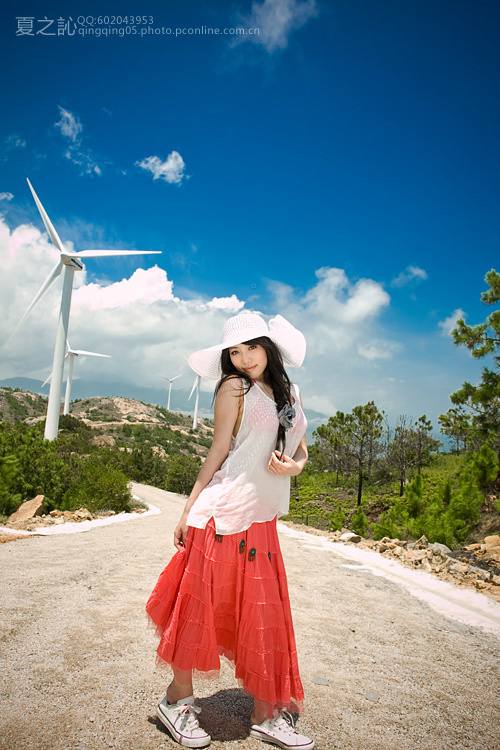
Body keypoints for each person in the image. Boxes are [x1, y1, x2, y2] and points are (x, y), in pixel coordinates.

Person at [146, 312, 314, 749]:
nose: (243, 359)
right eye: (234, 352)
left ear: (269, 346)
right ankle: (176, 700)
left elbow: (301, 448)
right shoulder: (233, 387)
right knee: (200, 611)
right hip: (225, 513)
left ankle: (265, 712)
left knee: (263, 614)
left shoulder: (290, 394)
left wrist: (293, 466)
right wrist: (188, 508)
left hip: (263, 516)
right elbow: (219, 449)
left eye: (250, 348)